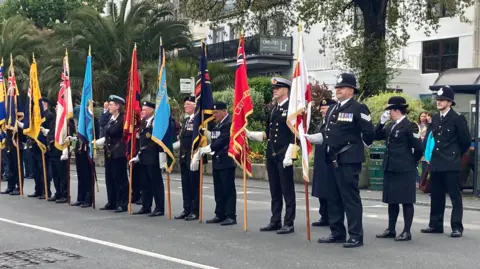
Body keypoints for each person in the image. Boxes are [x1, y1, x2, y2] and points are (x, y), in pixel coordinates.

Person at [311, 73, 375, 248]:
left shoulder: (358, 108)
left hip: (348, 159)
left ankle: (355, 235)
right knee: (333, 197)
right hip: (332, 158)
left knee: (350, 198)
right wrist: (313, 138)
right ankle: (337, 232)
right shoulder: (333, 109)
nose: (338, 90)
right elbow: (328, 132)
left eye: (342, 87)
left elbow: (369, 134)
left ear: (351, 90)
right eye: (337, 87)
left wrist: (357, 146)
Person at [246, 77, 296, 235]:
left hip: (284, 154)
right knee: (275, 189)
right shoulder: (274, 109)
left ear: (286, 90)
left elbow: (298, 134)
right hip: (272, 154)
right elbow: (268, 134)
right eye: (274, 88)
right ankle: (275, 220)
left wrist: (292, 153)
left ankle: (288, 222)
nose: (274, 90)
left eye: (278, 88)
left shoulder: (293, 108)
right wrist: (249, 134)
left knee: (287, 189)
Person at [421, 86, 471, 238]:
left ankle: (456, 226)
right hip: (436, 161)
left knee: (455, 195)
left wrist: (455, 155)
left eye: (442, 100)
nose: (439, 102)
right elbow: (431, 139)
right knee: (436, 194)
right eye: (438, 100)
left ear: (450, 102)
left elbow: (465, 141)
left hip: (451, 161)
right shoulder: (435, 119)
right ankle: (435, 224)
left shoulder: (457, 118)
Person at [374, 96, 424, 241]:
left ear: (396, 110)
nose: (388, 113)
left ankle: (407, 231)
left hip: (405, 168)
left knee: (406, 200)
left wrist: (411, 162)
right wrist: (381, 122)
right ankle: (391, 229)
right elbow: (375, 135)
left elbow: (418, 148)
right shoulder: (390, 125)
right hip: (391, 167)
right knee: (392, 200)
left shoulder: (410, 126)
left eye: (389, 110)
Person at [192, 101, 237, 226]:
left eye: (216, 113)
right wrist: (206, 133)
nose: (214, 115)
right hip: (217, 161)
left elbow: (222, 141)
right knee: (218, 189)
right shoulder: (218, 124)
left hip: (226, 161)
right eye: (213, 113)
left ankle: (230, 215)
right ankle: (220, 213)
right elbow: (215, 137)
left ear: (224, 111)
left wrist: (206, 149)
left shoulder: (229, 124)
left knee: (228, 190)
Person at [131, 101, 166, 217]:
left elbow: (161, 141)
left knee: (156, 183)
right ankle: (146, 206)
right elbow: (142, 142)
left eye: (145, 109)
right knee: (145, 183)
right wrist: (137, 156)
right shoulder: (144, 123)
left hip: (153, 156)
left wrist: (162, 157)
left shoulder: (156, 122)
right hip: (144, 156)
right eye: (142, 109)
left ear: (151, 110)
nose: (142, 111)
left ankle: (159, 208)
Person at [94, 95, 129, 213]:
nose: (109, 106)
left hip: (118, 152)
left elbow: (117, 134)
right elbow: (105, 129)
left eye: (111, 104)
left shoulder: (122, 119)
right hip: (109, 152)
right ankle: (112, 201)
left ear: (118, 106)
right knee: (109, 178)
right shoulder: (111, 118)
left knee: (120, 179)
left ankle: (122, 203)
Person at [306, 98, 337, 227]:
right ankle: (324, 216)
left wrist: (311, 138)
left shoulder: (333, 122)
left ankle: (332, 217)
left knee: (329, 190)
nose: (322, 110)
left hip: (329, 160)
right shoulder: (322, 122)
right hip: (320, 160)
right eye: (321, 108)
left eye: (324, 108)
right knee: (320, 190)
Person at [173, 96, 201, 221]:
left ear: (195, 105)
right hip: (184, 156)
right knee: (185, 185)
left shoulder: (198, 120)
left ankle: (195, 211)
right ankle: (187, 208)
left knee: (194, 185)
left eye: (188, 104)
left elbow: (200, 140)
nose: (185, 106)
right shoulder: (185, 121)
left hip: (193, 156)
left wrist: (197, 155)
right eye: (185, 104)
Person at [27, 98, 54, 199]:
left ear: (45, 104)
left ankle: (46, 191)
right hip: (35, 146)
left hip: (43, 146)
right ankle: (38, 190)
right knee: (35, 170)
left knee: (44, 170)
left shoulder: (49, 115)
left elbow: (51, 131)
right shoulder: (37, 116)